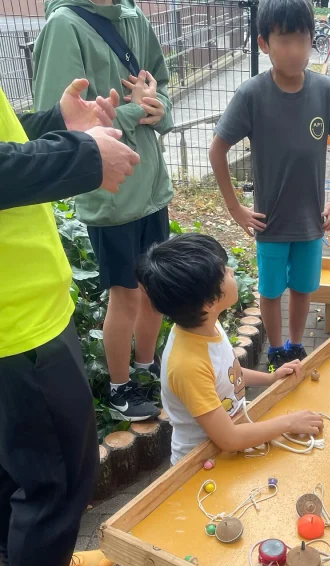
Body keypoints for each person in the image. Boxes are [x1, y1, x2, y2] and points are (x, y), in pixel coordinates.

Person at [0, 78, 138, 566]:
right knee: (57, 473)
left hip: (21, 308)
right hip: (16, 324)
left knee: (17, 466)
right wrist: (84, 157)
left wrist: (54, 121)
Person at [33, 0, 175, 422]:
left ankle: (146, 370)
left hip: (151, 185)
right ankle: (119, 388)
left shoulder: (134, 17)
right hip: (110, 192)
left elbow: (160, 87)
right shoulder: (64, 26)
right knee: (126, 295)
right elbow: (58, 124)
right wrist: (138, 108)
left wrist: (157, 106)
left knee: (153, 290)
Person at [210, 0, 330, 373]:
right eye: (284, 40)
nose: (295, 51)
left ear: (312, 41)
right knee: (272, 291)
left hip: (311, 221)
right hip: (269, 223)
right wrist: (235, 208)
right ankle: (275, 350)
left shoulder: (326, 91)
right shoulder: (252, 95)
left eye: (303, 40)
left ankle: (295, 345)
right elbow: (217, 150)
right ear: (264, 44)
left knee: (304, 288)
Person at [137, 233, 324, 463]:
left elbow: (227, 373)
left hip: (229, 446)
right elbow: (230, 438)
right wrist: (289, 423)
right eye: (225, 271)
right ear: (209, 302)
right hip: (201, 463)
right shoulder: (187, 365)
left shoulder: (206, 324)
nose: (232, 272)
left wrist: (271, 378)